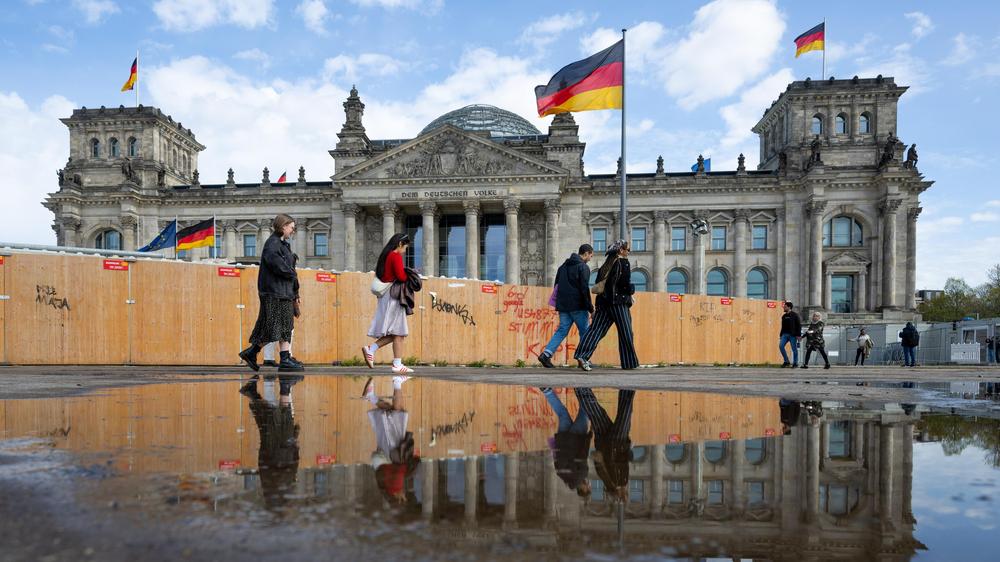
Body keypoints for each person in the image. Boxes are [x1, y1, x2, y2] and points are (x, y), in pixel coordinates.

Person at [239, 214, 303, 372]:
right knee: (273, 327)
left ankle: (282, 358)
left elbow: (289, 270)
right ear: (283, 226)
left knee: (285, 326)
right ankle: (253, 353)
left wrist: (295, 293)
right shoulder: (272, 244)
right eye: (291, 228)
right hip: (274, 293)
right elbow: (280, 267)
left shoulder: (282, 245)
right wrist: (292, 273)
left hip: (284, 292)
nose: (292, 231)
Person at [573, 240, 638, 371]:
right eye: (627, 250)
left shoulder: (605, 265)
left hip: (603, 303)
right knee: (626, 332)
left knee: (596, 330)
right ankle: (629, 363)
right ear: (621, 250)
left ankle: (582, 355)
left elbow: (600, 283)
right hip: (618, 303)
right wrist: (631, 290)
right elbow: (624, 284)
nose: (628, 252)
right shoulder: (623, 262)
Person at [242, 374, 302, 511]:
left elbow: (292, 468)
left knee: (278, 416)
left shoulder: (280, 488)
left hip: (279, 449)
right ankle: (254, 393)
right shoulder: (274, 488)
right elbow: (265, 464)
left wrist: (295, 445)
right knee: (275, 417)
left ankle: (256, 393)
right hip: (277, 449)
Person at [362, 234, 415, 374]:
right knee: (398, 331)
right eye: (405, 246)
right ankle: (395, 364)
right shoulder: (395, 255)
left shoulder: (385, 255)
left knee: (397, 332)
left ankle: (374, 351)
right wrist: (410, 274)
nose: (405, 250)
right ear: (400, 244)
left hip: (386, 296)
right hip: (394, 296)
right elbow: (401, 276)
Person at [362, 375, 418, 505]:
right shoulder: (386, 489)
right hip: (384, 456)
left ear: (399, 498)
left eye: (404, 497)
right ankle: (371, 396)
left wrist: (410, 467)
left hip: (391, 454)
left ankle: (397, 381)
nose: (405, 494)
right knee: (392, 413)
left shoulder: (394, 488)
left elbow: (399, 471)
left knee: (398, 413)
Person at [574, 387, 635, 503]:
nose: (627, 492)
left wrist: (629, 453)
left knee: (625, 410)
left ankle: (628, 383)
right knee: (596, 412)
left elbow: (617, 462)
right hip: (605, 441)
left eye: (625, 494)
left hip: (616, 441)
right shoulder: (612, 481)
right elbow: (602, 464)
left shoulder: (618, 481)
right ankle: (580, 388)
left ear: (621, 494)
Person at [538, 244, 595, 368]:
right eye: (590, 255)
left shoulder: (562, 267)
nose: (590, 258)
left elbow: (556, 287)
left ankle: (546, 355)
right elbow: (584, 289)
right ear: (586, 253)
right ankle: (583, 358)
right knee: (585, 331)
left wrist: (560, 303)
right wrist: (590, 308)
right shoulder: (583, 267)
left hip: (563, 306)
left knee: (562, 330)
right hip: (578, 306)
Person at [539, 387, 591, 498]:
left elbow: (583, 454)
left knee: (585, 411)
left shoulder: (582, 475)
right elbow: (556, 458)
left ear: (583, 489)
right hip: (563, 439)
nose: (589, 486)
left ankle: (582, 388)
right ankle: (547, 392)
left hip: (576, 437)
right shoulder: (563, 476)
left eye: (588, 488)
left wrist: (589, 437)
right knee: (562, 413)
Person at [263, 251, 303, 367]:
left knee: (275, 330)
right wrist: (296, 296)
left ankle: (271, 358)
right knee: (286, 330)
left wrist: (296, 296)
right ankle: (286, 356)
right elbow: (293, 285)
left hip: (278, 301)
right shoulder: (287, 271)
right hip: (282, 301)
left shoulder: (278, 270)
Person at [778, 301, 802, 368]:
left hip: (793, 335)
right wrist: (781, 335)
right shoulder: (784, 316)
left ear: (789, 307)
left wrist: (798, 335)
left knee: (794, 349)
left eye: (785, 307)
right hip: (784, 334)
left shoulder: (795, 315)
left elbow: (799, 325)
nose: (784, 308)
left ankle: (795, 363)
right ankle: (786, 361)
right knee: (781, 346)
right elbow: (782, 326)